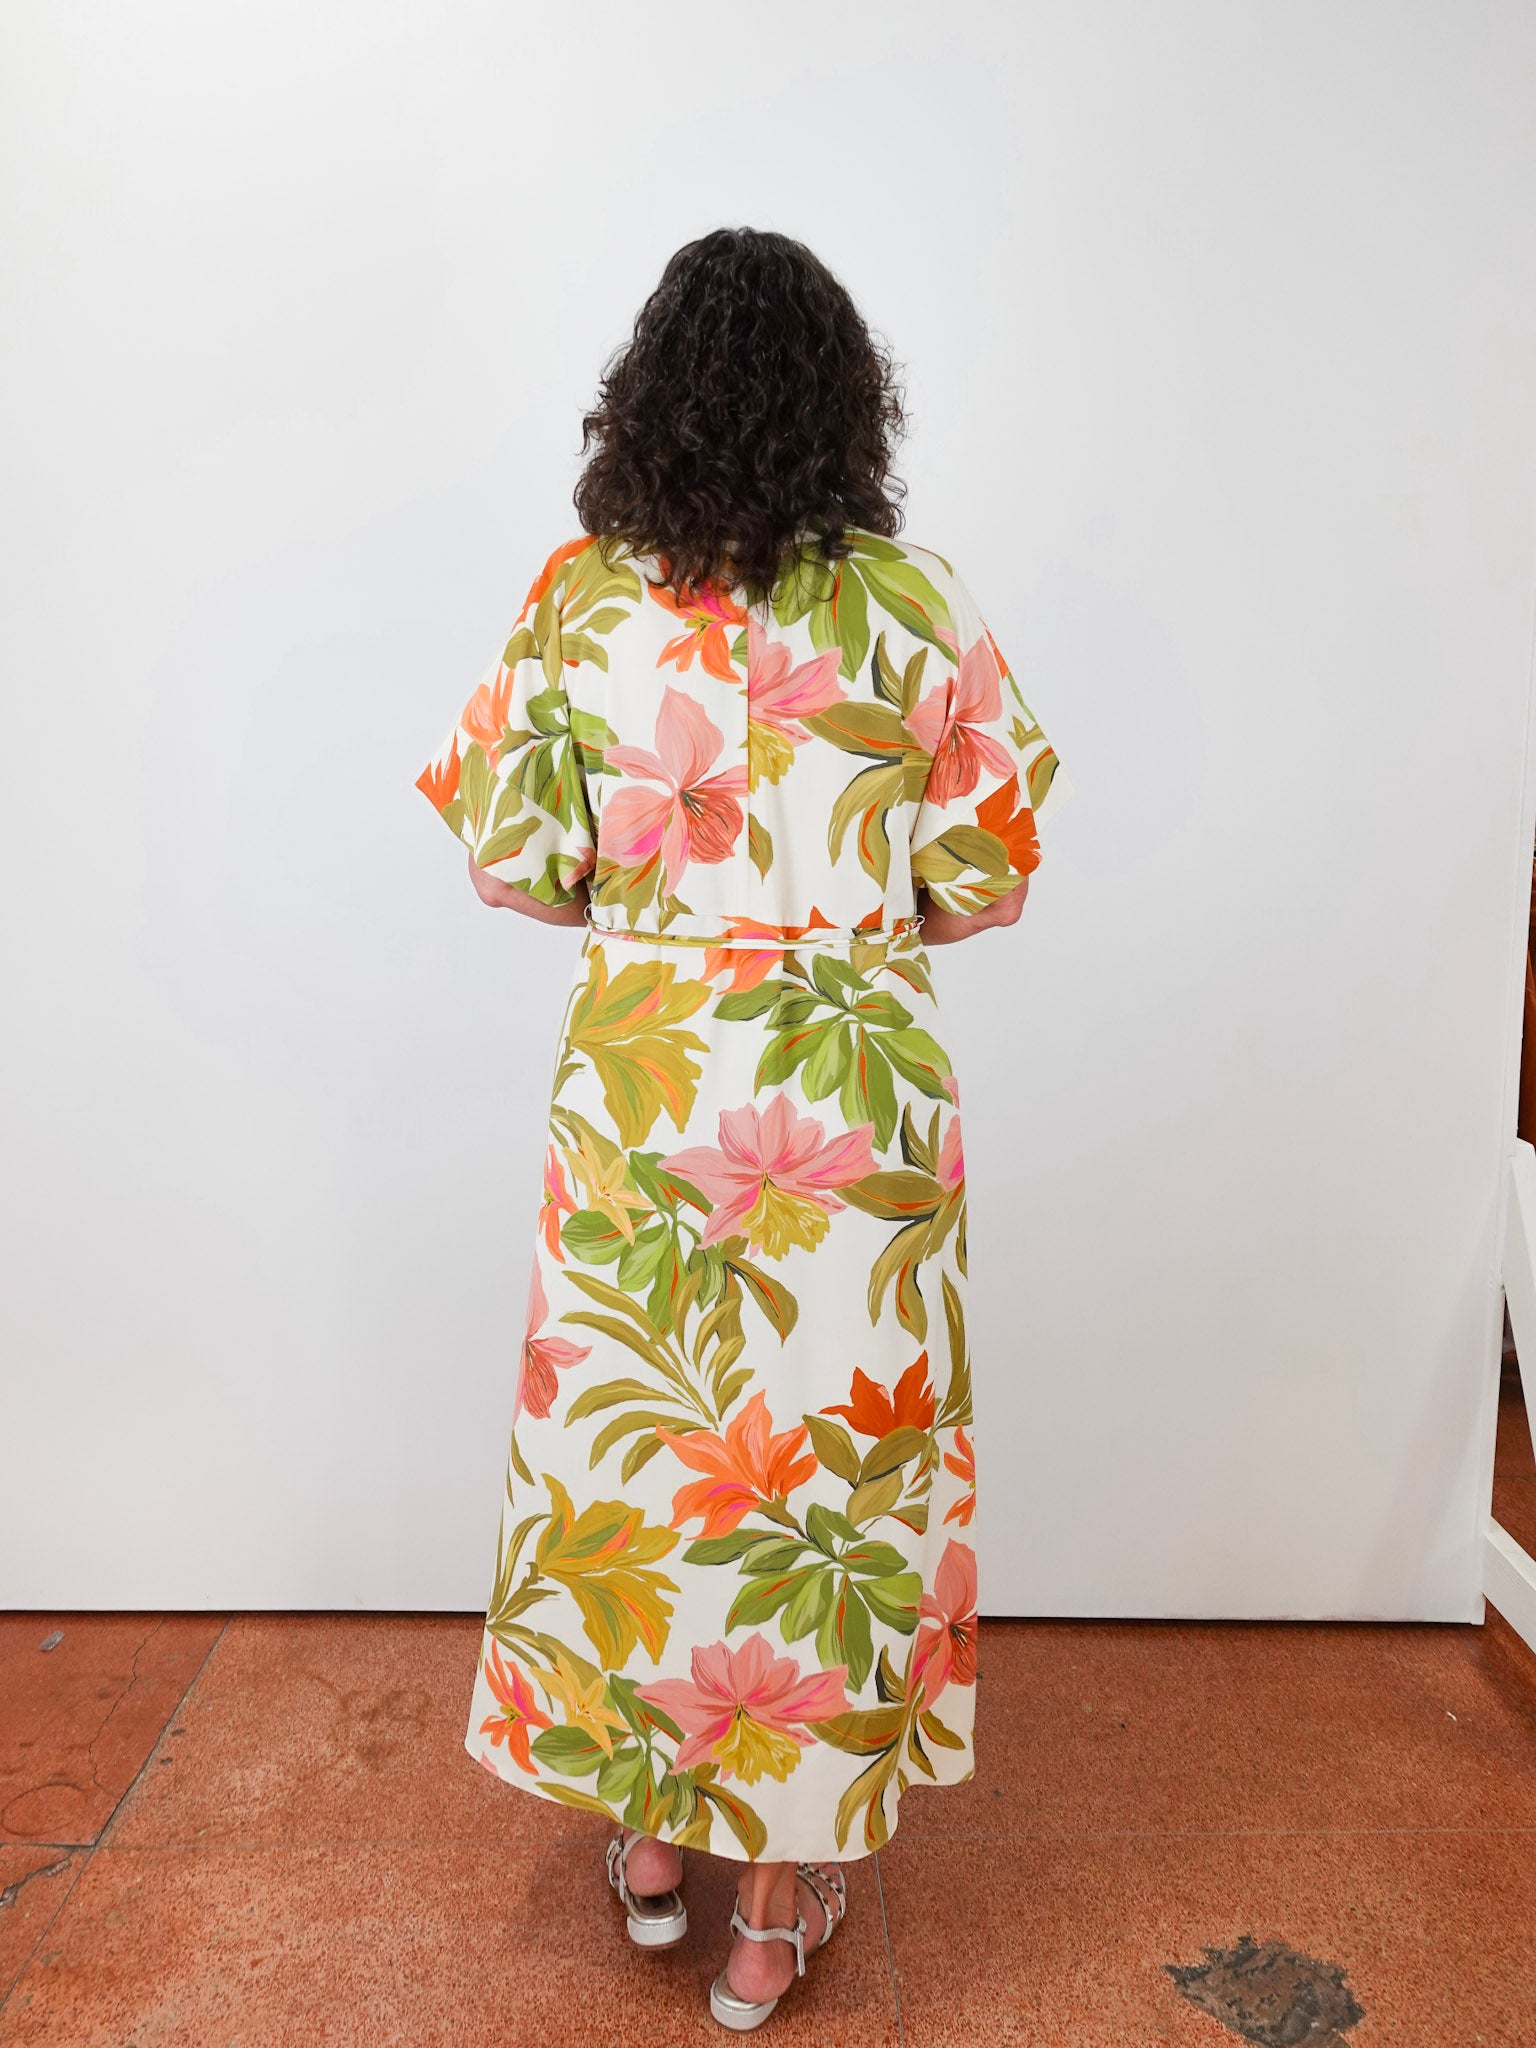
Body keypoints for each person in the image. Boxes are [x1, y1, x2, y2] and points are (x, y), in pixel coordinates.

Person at [416, 226, 1070, 2031]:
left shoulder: (580, 603)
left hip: (648, 1080)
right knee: (832, 1492)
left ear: (646, 402)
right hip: (854, 1097)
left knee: (651, 1472)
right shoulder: (919, 605)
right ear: (848, 408)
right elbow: (992, 886)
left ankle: (647, 1845)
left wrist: (663, 918)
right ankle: (771, 1918)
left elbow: (505, 870)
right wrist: (835, 928)